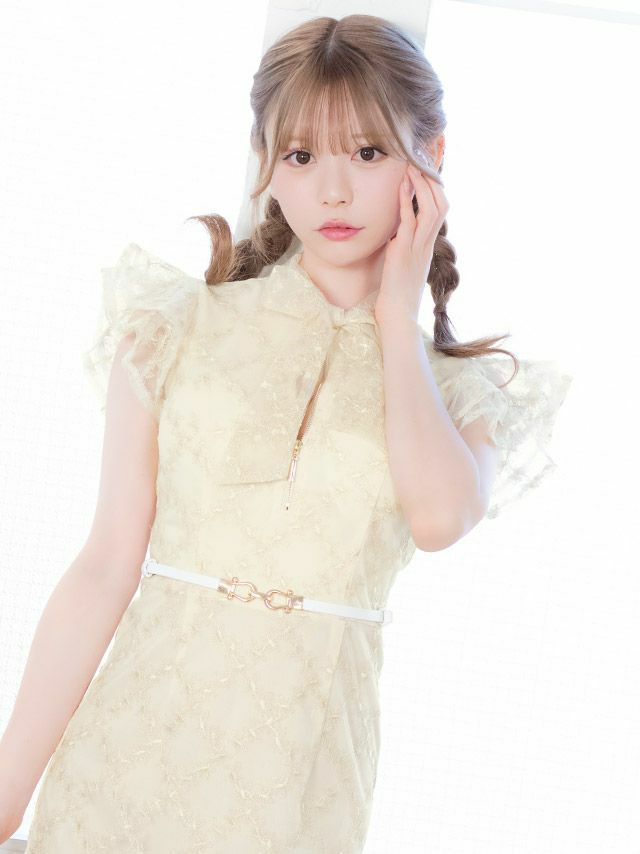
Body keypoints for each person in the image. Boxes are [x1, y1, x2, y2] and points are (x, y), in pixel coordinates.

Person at [0, 13, 572, 853]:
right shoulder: (175, 327)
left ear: (431, 157)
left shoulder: (459, 392)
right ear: (267, 160)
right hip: (126, 760)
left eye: (368, 152)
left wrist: (396, 316)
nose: (332, 191)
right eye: (301, 156)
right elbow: (103, 566)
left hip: (301, 784)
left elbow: (440, 519)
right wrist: (6, 797)